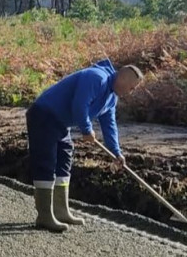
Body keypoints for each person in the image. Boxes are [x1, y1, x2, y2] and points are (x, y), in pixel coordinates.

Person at [26, 59, 143, 232]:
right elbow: (79, 105)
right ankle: (44, 216)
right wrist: (86, 129)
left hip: (60, 123)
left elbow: (109, 126)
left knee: (64, 159)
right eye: (132, 88)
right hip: (44, 115)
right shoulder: (96, 77)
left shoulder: (111, 98)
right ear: (123, 79)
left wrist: (116, 152)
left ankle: (60, 210)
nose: (131, 92)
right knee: (46, 162)